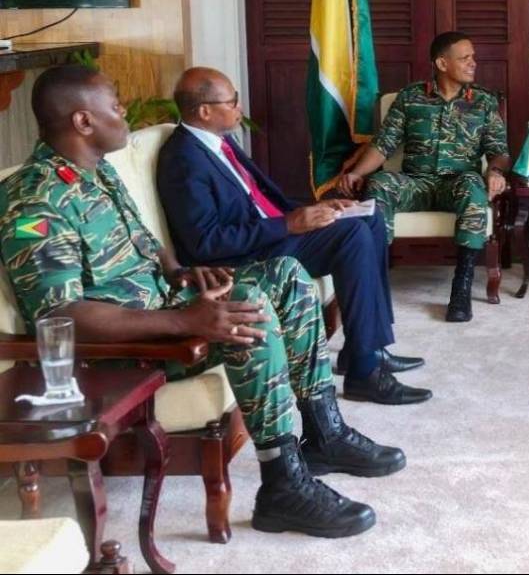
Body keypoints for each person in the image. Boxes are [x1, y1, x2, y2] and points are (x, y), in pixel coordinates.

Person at [0, 65, 405, 537]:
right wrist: (183, 322)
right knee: (245, 308)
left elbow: (148, 244)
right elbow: (60, 317)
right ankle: (281, 485)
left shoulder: (98, 171)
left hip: (167, 306)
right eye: (114, 105)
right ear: (83, 122)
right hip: (126, 351)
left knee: (287, 274)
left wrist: (180, 273)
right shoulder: (35, 201)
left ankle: (325, 434)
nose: (124, 112)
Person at [156, 67, 430, 407]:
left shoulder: (220, 142)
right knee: (352, 235)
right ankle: (364, 372)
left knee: (367, 216)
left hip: (270, 234)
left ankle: (369, 347)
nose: (239, 108)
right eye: (232, 101)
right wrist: (289, 224)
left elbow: (262, 201)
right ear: (204, 111)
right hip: (243, 257)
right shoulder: (183, 159)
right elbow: (205, 243)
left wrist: (319, 208)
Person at [338, 31, 509, 323]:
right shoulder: (410, 97)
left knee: (473, 186)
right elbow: (384, 145)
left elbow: (499, 151)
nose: (473, 63)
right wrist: (356, 172)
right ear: (442, 64)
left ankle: (461, 288)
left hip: (457, 183)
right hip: (415, 183)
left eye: (473, 57)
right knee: (379, 184)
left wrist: (494, 171)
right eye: (464, 58)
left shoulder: (483, 102)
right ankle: (373, 284)